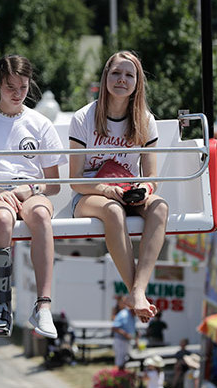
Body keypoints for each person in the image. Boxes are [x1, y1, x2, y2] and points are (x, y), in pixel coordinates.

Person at [0, 55, 66, 338]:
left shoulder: (40, 123)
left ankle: (43, 306)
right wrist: (2, 192)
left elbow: (53, 184)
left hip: (30, 191)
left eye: (22, 86)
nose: (17, 93)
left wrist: (27, 190)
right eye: (11, 86)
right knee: (2, 218)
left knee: (41, 215)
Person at [69, 51, 169, 322]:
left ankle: (138, 290)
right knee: (113, 211)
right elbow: (75, 179)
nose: (121, 80)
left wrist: (144, 191)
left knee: (159, 207)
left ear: (138, 82)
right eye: (116, 73)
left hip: (127, 190)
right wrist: (106, 189)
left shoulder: (145, 120)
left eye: (129, 74)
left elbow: (151, 176)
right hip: (91, 194)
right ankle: (134, 292)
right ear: (105, 77)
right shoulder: (84, 118)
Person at [112, 296, 138, 370]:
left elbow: (132, 329)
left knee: (125, 362)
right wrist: (126, 334)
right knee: (120, 362)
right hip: (120, 341)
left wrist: (136, 336)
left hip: (127, 341)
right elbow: (114, 327)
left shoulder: (132, 316)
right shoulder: (123, 314)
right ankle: (117, 378)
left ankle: (122, 378)